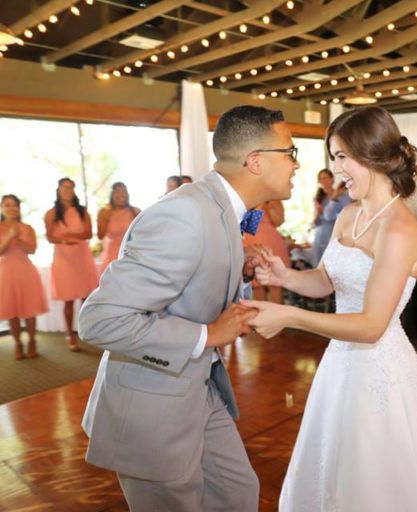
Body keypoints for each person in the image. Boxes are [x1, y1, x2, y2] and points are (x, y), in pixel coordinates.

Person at [245, 106, 417, 511]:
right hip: (339, 367)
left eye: (342, 157)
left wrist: (288, 316)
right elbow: (326, 280)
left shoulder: (399, 229)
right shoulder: (348, 214)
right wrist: (284, 276)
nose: (335, 168)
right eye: (333, 157)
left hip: (379, 371)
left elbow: (373, 325)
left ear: (374, 155)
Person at [78, 105, 299, 510]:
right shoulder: (185, 213)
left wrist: (242, 267)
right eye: (290, 152)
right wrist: (209, 334)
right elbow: (100, 320)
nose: (296, 164)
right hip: (154, 406)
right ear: (255, 161)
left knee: (237, 494)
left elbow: (190, 279)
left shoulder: (222, 208)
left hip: (200, 387)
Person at [44, 178, 99, 351]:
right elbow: (50, 237)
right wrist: (64, 238)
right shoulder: (52, 213)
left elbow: (89, 233)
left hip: (82, 256)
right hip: (63, 258)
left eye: (71, 188)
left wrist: (72, 236)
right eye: (65, 187)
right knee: (68, 299)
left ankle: (88, 330)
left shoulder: (82, 211)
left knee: (86, 297)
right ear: (58, 190)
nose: (68, 190)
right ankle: (71, 334)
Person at [0, 194, 48, 360]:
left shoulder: (28, 228)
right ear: (1, 208)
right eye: (7, 205)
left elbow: (32, 250)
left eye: (14, 205)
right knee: (11, 309)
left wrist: (18, 237)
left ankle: (32, 341)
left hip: (25, 270)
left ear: (19, 208)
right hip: (6, 272)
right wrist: (9, 236)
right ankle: (17, 343)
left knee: (29, 309)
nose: (11, 208)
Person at [244, 199, 290, 303]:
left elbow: (279, 221)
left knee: (276, 284)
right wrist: (260, 202)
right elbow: (250, 225)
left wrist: (270, 204)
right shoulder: (250, 197)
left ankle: (278, 316)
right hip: (252, 241)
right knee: (256, 284)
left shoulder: (274, 199)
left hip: (272, 243)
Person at [96, 182, 140, 274]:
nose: (121, 194)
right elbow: (100, 235)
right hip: (112, 253)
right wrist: (106, 219)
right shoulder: (104, 212)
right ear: (112, 194)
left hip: (131, 253)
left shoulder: (135, 212)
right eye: (117, 191)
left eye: (124, 191)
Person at [311, 169, 336, 267]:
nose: (324, 181)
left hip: (334, 233)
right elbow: (314, 223)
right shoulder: (318, 198)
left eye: (326, 177)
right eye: (321, 179)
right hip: (320, 235)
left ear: (332, 179)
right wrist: (318, 212)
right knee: (319, 265)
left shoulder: (340, 196)